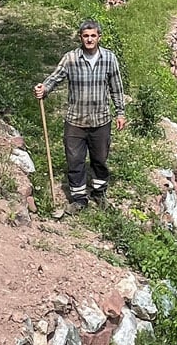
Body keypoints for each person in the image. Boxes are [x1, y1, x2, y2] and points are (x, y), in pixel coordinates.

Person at [34, 20, 127, 213]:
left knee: (99, 159)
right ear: (80, 38)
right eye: (86, 36)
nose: (90, 39)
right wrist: (45, 88)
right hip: (75, 120)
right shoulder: (71, 58)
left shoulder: (109, 58)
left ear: (99, 37)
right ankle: (78, 198)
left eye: (93, 36)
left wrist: (120, 112)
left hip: (101, 120)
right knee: (75, 160)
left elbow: (116, 88)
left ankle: (99, 193)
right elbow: (55, 77)